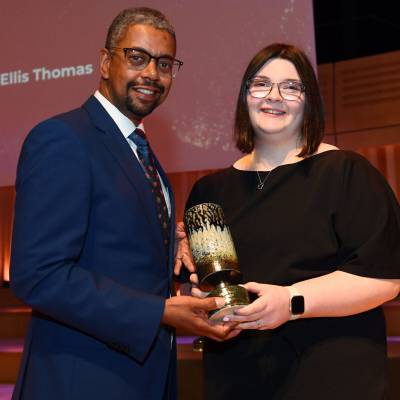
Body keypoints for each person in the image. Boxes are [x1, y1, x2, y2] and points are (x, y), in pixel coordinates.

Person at [10, 7, 235, 400]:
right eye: (137, 58)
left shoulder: (142, 152)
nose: (152, 73)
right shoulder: (63, 139)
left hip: (142, 377)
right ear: (104, 61)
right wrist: (158, 312)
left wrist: (174, 257)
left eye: (164, 64)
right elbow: (39, 275)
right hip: (80, 380)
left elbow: (124, 257)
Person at [176, 43, 400, 399]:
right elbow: (199, 285)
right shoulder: (210, 190)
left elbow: (384, 278)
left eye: (291, 87)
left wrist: (292, 302)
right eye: (261, 84)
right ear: (244, 96)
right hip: (235, 377)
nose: (274, 96)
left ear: (309, 100)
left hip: (331, 375)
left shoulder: (346, 172)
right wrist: (200, 297)